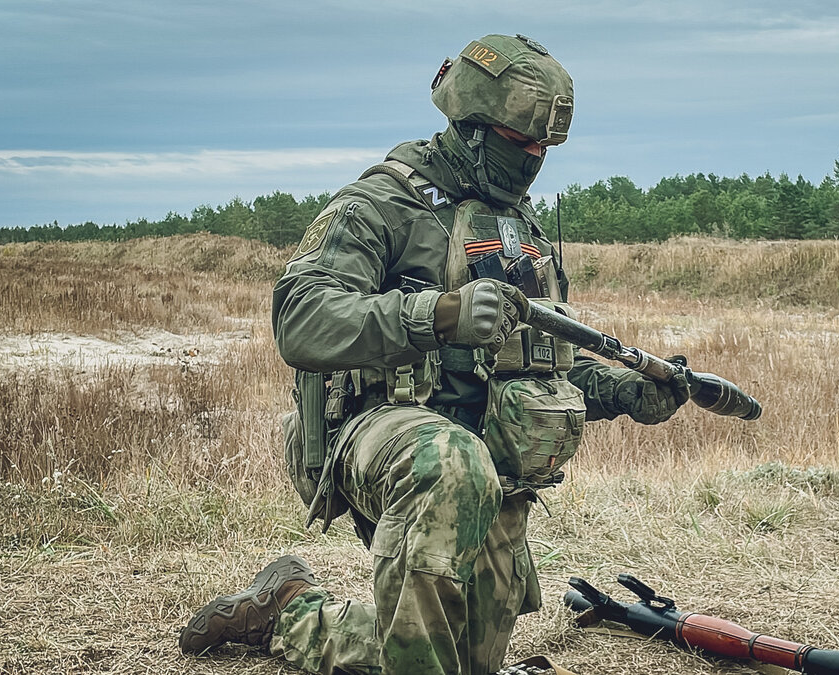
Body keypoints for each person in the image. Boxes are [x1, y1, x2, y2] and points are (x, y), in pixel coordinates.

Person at [178, 33, 690, 674]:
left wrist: (628, 393)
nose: (535, 158)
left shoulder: (517, 228)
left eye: (545, 147)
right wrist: (438, 315)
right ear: (474, 128)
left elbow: (542, 358)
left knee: (450, 656)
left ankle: (288, 607)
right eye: (521, 141)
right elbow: (300, 318)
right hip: (381, 436)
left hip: (486, 461)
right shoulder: (386, 204)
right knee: (449, 462)